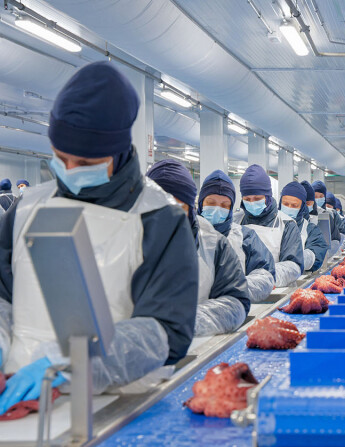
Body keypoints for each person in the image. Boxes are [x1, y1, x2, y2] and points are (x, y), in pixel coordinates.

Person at [0, 62, 198, 413]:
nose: (69, 171)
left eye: (85, 162)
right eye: (61, 158)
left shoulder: (159, 218)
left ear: (118, 152)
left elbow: (166, 332)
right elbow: (3, 295)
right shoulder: (26, 208)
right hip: (20, 396)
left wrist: (67, 362)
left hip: (117, 406)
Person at [147, 161, 249, 337]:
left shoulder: (214, 244)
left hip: (198, 346)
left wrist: (182, 323)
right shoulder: (121, 238)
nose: (167, 213)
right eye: (158, 204)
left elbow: (236, 302)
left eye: (178, 207)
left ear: (191, 208)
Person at [197, 170, 276, 303]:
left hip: (232, 312)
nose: (217, 209)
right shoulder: (184, 234)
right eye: (211, 203)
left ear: (231, 208)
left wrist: (233, 289)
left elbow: (265, 276)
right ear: (200, 203)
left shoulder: (245, 237)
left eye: (224, 205)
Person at [239, 165, 303, 288]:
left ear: (268, 196)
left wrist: (267, 278)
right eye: (247, 199)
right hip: (238, 292)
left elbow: (293, 265)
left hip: (276, 292)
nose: (252, 202)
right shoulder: (236, 221)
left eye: (257, 198)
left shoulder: (286, 224)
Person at [281, 181, 328, 272]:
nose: (289, 208)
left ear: (302, 207)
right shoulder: (272, 224)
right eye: (285, 204)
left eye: (294, 205)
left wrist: (295, 260)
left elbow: (317, 253)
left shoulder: (310, 229)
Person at [312, 180, 342, 252]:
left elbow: (336, 237)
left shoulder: (329, 214)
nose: (318, 199)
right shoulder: (306, 214)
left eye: (321, 196)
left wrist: (326, 254)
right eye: (315, 196)